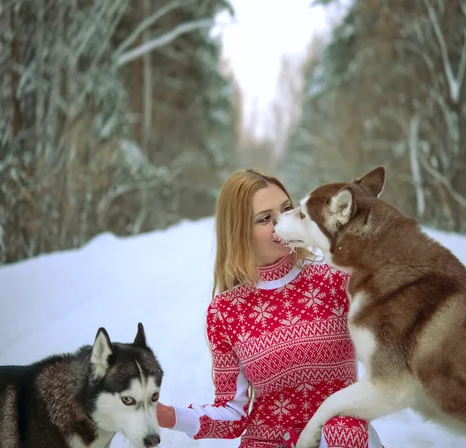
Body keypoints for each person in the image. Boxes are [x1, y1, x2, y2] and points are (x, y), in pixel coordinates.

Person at [157, 169, 383, 448]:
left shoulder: (337, 279)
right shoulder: (225, 312)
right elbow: (232, 414)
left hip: (341, 437)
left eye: (287, 209)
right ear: (239, 232)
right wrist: (169, 416)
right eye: (265, 219)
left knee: (343, 429)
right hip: (267, 441)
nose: (283, 222)